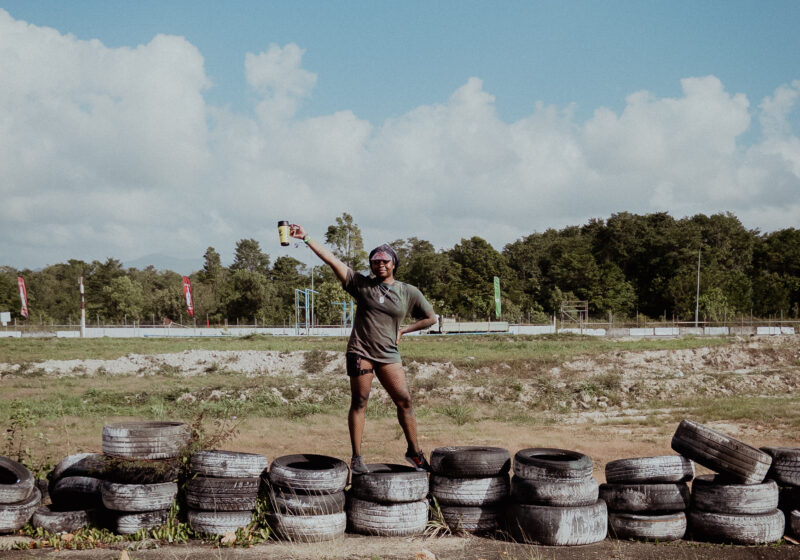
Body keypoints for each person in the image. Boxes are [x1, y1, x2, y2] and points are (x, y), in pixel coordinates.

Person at [289, 223, 437, 473]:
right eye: (375, 261)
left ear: (394, 264)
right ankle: (357, 458)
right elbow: (331, 259)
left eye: (385, 261)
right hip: (361, 352)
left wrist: (402, 330)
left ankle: (414, 452)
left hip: (389, 353)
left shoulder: (407, 292)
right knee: (360, 401)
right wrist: (306, 238)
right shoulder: (360, 284)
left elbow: (431, 318)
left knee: (405, 401)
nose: (380, 265)